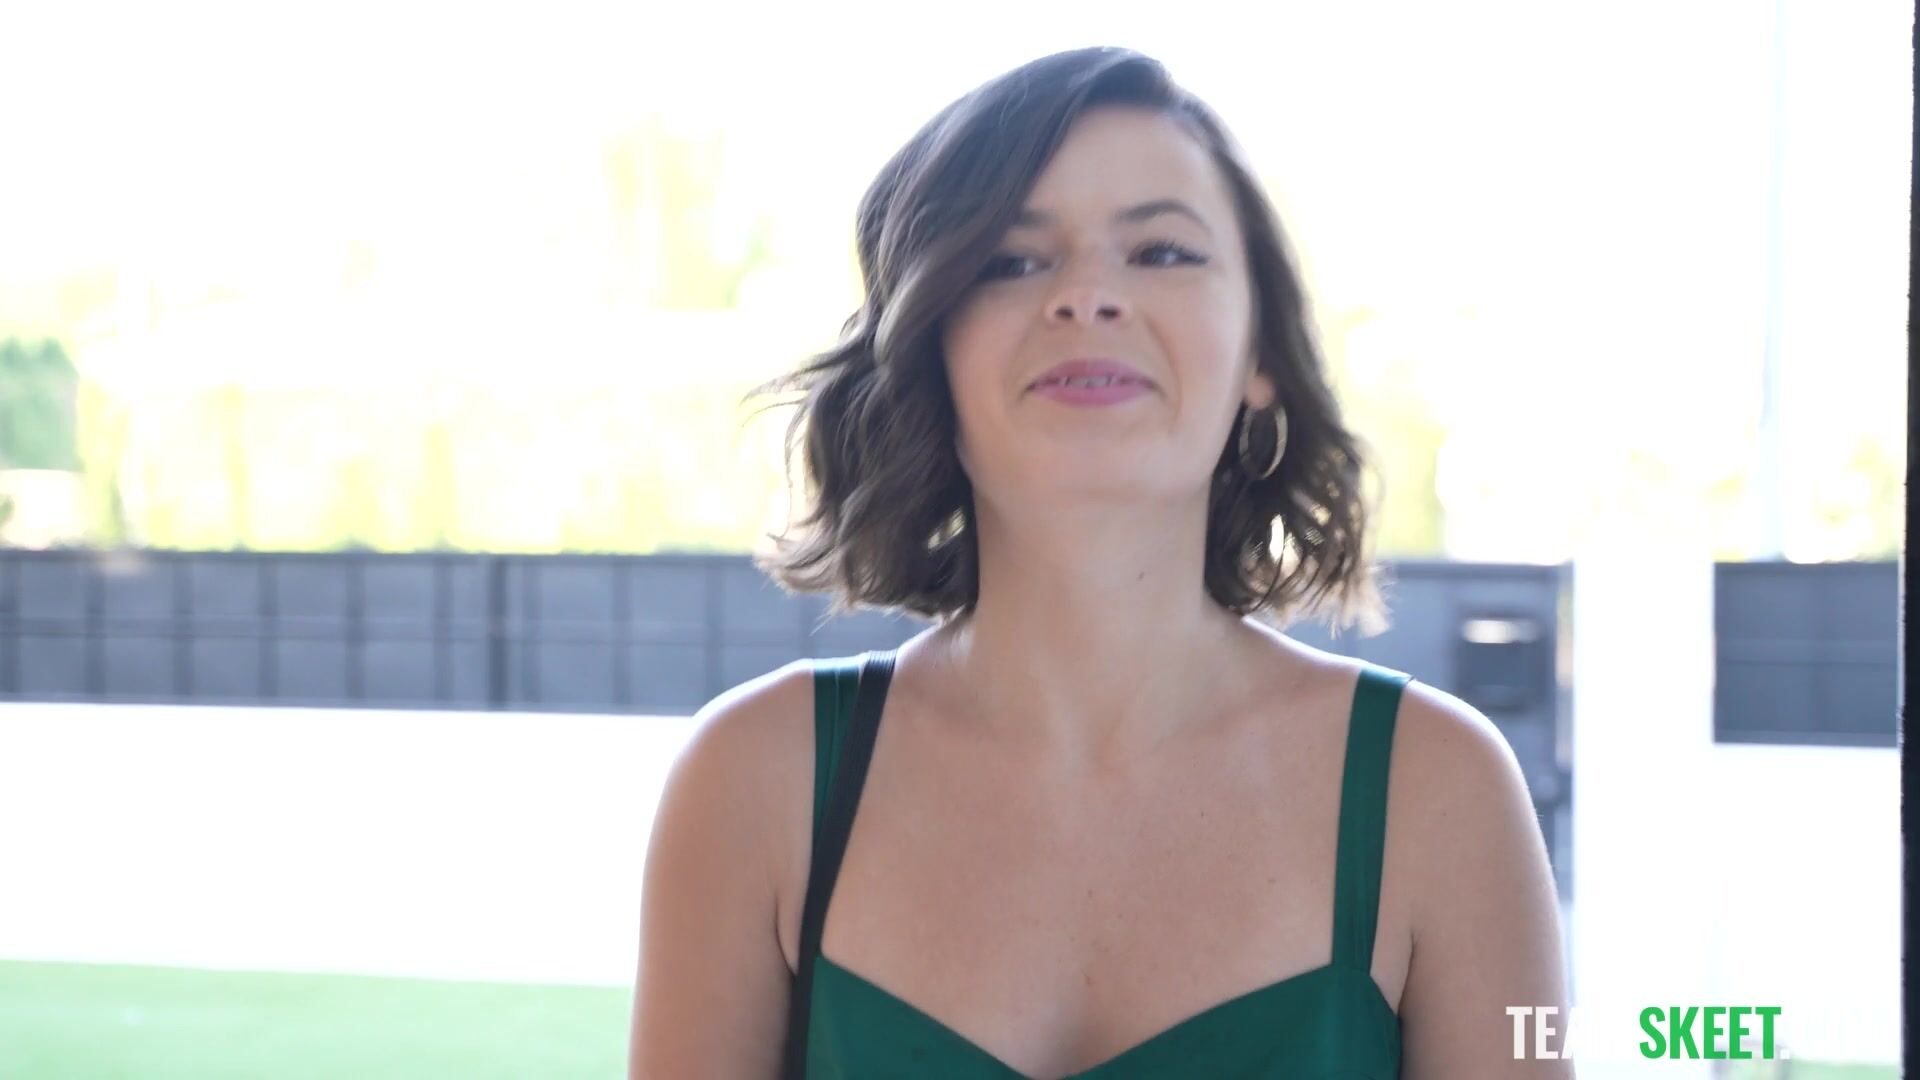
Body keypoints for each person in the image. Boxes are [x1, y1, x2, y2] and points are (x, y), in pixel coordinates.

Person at [628, 45, 1569, 1079]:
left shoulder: (1442, 792)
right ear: (931, 344)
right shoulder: (753, 784)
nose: (1086, 295)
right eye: (1012, 261)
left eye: (1161, 251)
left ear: (1259, 351)